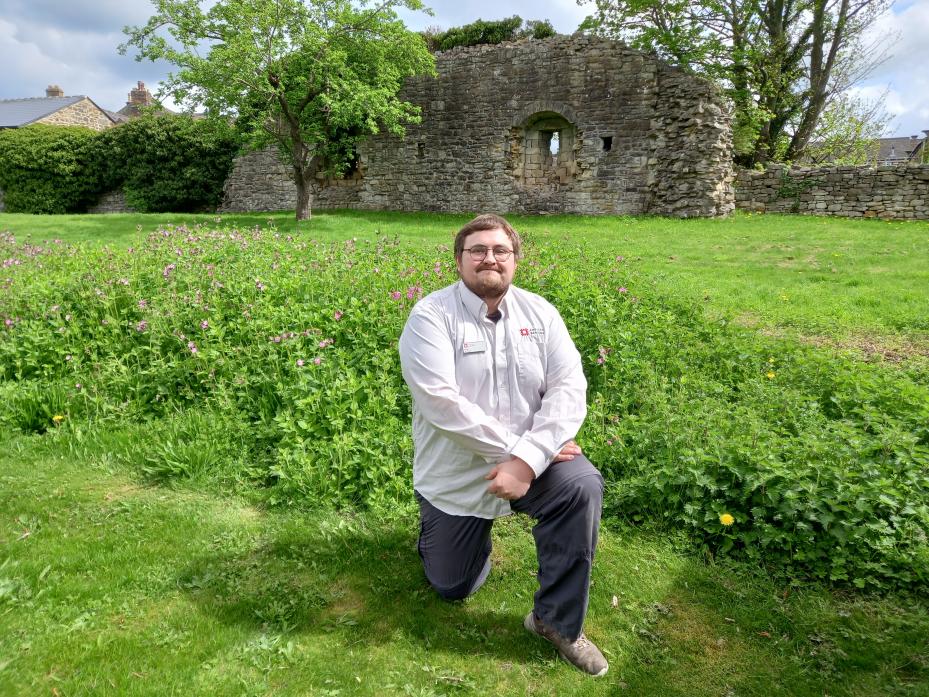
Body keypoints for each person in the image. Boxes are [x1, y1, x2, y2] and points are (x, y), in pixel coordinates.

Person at [398, 213, 608, 677]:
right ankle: (449, 542)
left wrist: (528, 460)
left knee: (581, 486)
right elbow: (441, 403)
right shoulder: (430, 316)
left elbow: (569, 388)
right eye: (477, 250)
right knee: (453, 587)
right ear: (458, 261)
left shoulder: (541, 313)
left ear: (515, 260)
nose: (488, 258)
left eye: (499, 250)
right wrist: (522, 453)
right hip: (458, 475)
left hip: (535, 463)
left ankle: (556, 623)